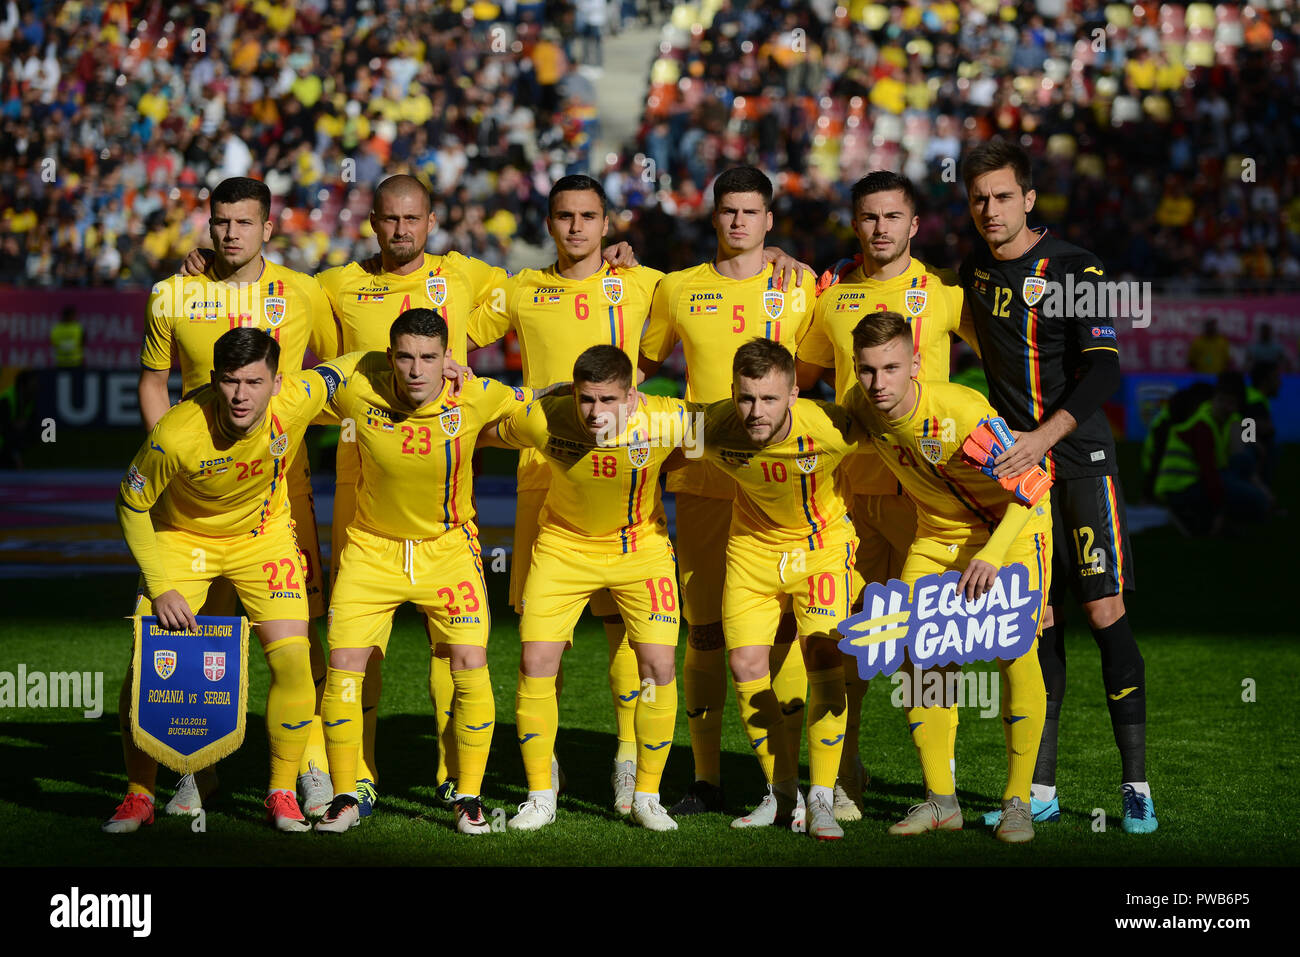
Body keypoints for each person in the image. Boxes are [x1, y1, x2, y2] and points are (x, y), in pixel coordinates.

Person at [181, 173, 640, 815]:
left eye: (412, 220)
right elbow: (269, 306)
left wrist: (615, 258)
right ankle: (343, 774)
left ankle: (459, 775)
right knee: (349, 637)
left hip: (444, 475)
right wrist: (211, 264)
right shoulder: (332, 286)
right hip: (356, 475)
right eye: (388, 220)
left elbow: (548, 289)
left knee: (450, 642)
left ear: (431, 221)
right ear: (371, 222)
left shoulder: (471, 276)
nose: (401, 231)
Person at [958, 138, 1155, 834]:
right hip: (1022, 479)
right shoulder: (973, 269)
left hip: (1079, 464)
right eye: (979, 197)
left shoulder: (1077, 268)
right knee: (1037, 625)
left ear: (1030, 198)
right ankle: (1038, 788)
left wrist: (1041, 437)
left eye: (1003, 195)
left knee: (1104, 614)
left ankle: (1135, 786)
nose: (990, 209)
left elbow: (1103, 368)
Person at [140, 177, 340, 820]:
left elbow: (335, 375)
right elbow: (154, 382)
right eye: (220, 222)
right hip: (196, 496)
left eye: (243, 223)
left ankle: (307, 767)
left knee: (297, 636)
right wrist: (171, 457)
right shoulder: (176, 293)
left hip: (285, 492)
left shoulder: (302, 291)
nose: (230, 234)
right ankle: (196, 767)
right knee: (196, 639)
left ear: (267, 228)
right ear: (209, 223)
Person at [467, 174, 666, 813]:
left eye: (588, 216)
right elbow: (455, 334)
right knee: (540, 639)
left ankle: (630, 765)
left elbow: (706, 295)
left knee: (627, 635)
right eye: (564, 216)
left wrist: (789, 258)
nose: (576, 227)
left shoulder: (642, 283)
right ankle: (541, 778)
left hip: (627, 482)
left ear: (608, 225)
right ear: (549, 223)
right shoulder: (522, 288)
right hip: (542, 477)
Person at [103, 328, 354, 833]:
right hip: (181, 538)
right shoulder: (176, 433)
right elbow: (130, 504)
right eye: (231, 382)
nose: (242, 396)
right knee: (146, 666)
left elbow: (355, 363)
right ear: (215, 379)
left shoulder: (297, 396)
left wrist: (446, 373)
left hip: (262, 539)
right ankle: (139, 796)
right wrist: (160, 586)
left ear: (276, 381)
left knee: (293, 657)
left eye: (255, 382)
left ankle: (281, 791)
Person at [637, 165, 817, 816]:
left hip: (782, 486)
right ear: (713, 217)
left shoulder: (801, 288)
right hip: (706, 483)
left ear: (769, 221)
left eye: (751, 212)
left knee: (791, 630)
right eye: (727, 211)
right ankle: (707, 779)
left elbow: (819, 375)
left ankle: (793, 784)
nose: (738, 221)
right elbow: (640, 369)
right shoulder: (679, 289)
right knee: (705, 630)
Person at [795, 170, 974, 821]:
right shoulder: (832, 298)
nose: (880, 228)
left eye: (892, 216)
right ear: (855, 222)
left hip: (932, 505)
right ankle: (843, 770)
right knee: (850, 643)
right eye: (869, 216)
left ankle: (939, 786)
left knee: (933, 649)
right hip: (849, 498)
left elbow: (1008, 357)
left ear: (914, 223)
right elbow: (801, 377)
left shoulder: (945, 295)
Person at [313, 310, 533, 835]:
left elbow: (539, 398)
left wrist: (595, 390)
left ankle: (470, 796)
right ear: (390, 358)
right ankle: (345, 794)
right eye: (405, 357)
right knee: (345, 666)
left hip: (448, 551)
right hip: (370, 551)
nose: (416, 370)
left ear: (447, 360)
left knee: (469, 661)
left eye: (429, 358)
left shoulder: (475, 395)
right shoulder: (358, 392)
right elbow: (294, 387)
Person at [842, 311, 1051, 842]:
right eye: (867, 370)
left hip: (1014, 534)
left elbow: (1033, 483)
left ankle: (1018, 803)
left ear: (915, 364)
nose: (878, 383)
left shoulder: (960, 409)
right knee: (919, 660)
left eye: (891, 368)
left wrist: (995, 556)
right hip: (935, 540)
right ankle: (942, 801)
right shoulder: (858, 407)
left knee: (1014, 652)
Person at [483, 345, 686, 832]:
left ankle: (647, 796)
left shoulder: (669, 419)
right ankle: (539, 795)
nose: (596, 413)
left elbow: (733, 425)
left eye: (609, 400)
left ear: (633, 397)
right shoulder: (545, 418)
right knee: (535, 662)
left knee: (657, 666)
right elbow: (483, 432)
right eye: (586, 400)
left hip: (642, 550)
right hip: (562, 548)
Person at [697, 339, 864, 841]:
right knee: (745, 665)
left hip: (823, 548)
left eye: (769, 399)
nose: (756, 411)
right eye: (746, 398)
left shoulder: (833, 429)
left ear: (794, 393)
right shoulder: (710, 426)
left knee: (823, 659)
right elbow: (632, 412)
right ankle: (782, 792)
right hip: (751, 550)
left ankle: (823, 797)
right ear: (732, 392)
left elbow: (902, 427)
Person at [1154, 372, 1271, 535]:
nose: (1226, 406)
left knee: (1244, 470)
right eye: (1222, 400)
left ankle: (1220, 515)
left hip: (1195, 476)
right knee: (1253, 494)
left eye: (1230, 402)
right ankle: (1207, 516)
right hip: (1184, 483)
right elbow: (1210, 468)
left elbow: (1242, 443)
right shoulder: (1206, 424)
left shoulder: (1226, 417)